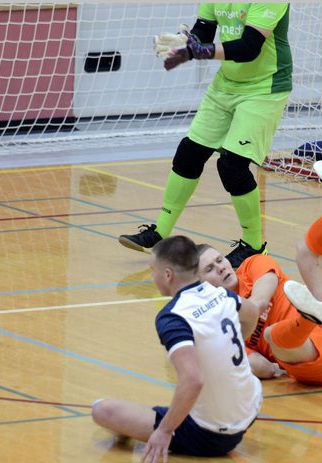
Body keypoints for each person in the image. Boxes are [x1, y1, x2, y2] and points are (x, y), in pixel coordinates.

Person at [119, 3, 293, 269]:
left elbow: (248, 48)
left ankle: (254, 246)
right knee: (189, 153)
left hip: (264, 89)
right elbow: (204, 31)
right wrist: (187, 42)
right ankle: (159, 234)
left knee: (232, 165)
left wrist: (200, 51)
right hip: (225, 85)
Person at [91, 235, 262, 463]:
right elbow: (252, 312)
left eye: (153, 270)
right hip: (252, 407)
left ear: (167, 274)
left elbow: (193, 380)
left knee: (102, 410)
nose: (152, 276)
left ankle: (143, 427)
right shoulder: (219, 293)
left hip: (212, 435)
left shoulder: (173, 317)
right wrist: (234, 344)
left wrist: (165, 430)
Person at [197, 160, 322, 386]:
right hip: (319, 361)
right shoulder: (219, 325)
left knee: (305, 253)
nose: (221, 267)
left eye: (219, 259)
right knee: (272, 334)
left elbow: (261, 296)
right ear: (199, 285)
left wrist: (240, 324)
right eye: (210, 269)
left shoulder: (251, 265)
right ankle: (307, 319)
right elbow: (262, 368)